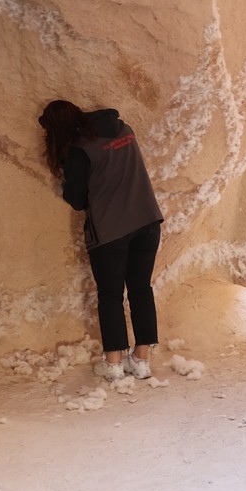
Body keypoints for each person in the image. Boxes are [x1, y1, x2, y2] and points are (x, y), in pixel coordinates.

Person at [39, 100, 164, 382]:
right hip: (147, 222)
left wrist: (65, 175)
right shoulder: (124, 130)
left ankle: (114, 364)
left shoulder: (79, 151)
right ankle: (141, 361)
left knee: (110, 296)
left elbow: (77, 200)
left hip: (110, 232)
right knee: (141, 289)